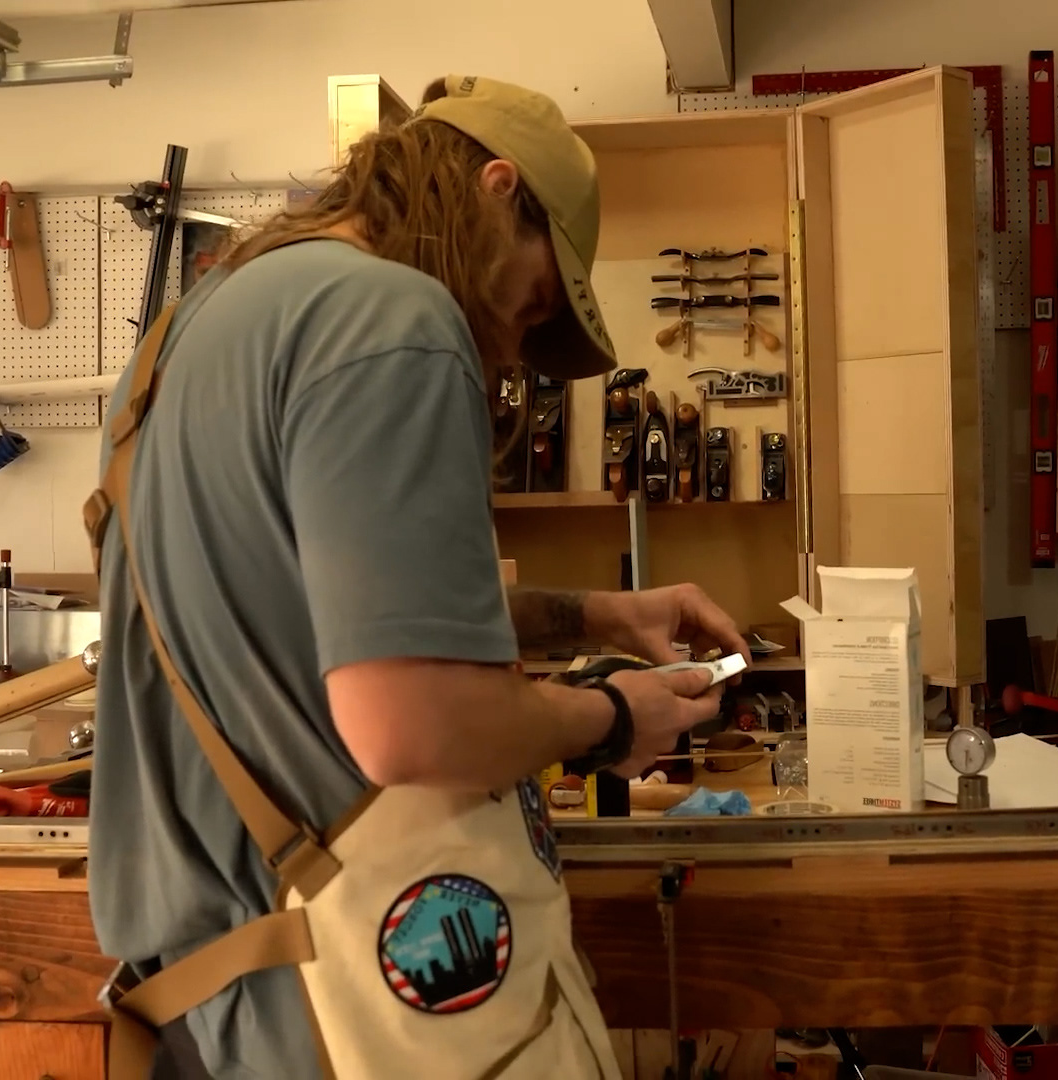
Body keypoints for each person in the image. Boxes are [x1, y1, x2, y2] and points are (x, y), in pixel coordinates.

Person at [87, 74, 748, 1079]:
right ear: (497, 189)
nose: (514, 346)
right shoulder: (392, 315)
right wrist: (615, 717)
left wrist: (595, 614)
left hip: (215, 1004)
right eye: (535, 303)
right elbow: (414, 725)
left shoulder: (184, 338)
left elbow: (328, 619)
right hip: (345, 1005)